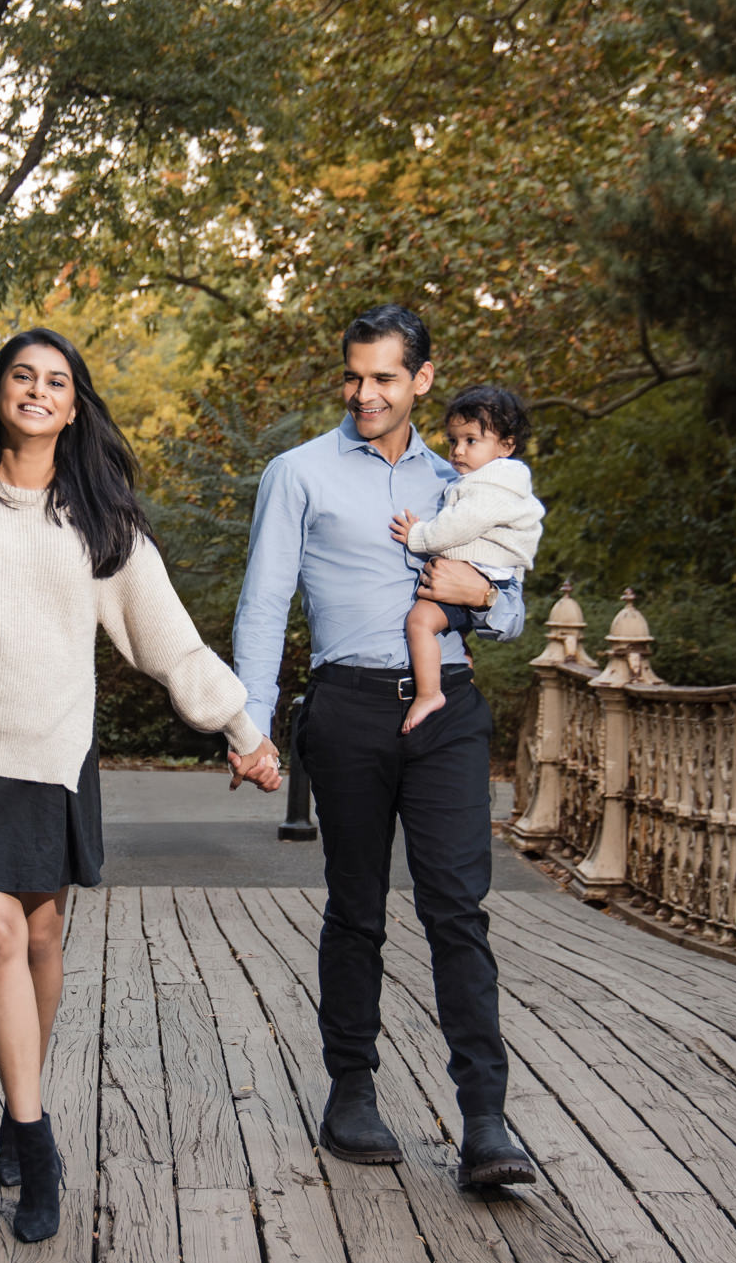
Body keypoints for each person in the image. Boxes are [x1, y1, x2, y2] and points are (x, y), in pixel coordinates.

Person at [0, 327, 281, 1243]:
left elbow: (169, 641)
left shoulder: (101, 518)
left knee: (44, 935)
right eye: (22, 375)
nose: (38, 390)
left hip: (56, 757)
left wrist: (245, 734)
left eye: (56, 381)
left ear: (74, 404)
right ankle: (35, 1135)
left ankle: (25, 1093)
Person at [231, 304, 540, 1189]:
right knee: (356, 905)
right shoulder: (298, 473)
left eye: (385, 379)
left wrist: (475, 590)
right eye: (354, 376)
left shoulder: (471, 477)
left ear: (423, 381)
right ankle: (352, 1090)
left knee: (456, 908)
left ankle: (485, 1120)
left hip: (448, 711)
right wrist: (249, 726)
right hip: (349, 708)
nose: (365, 393)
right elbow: (264, 603)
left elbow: (512, 606)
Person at [390, 385, 543, 734]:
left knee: (420, 622)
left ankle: (429, 693)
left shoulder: (492, 485)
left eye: (471, 440)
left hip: (485, 574)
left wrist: (418, 536)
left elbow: (457, 527)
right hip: (484, 571)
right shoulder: (489, 479)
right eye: (453, 441)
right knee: (446, 633)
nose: (458, 451)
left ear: (506, 445)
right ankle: (460, 667)